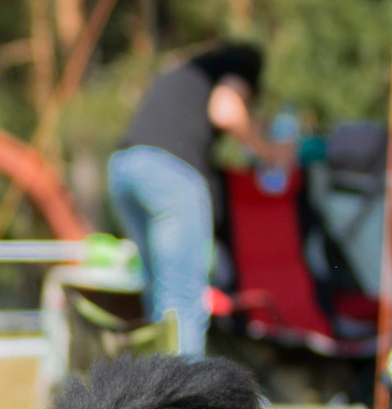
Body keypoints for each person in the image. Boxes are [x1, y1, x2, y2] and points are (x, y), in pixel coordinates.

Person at [107, 41, 285, 358]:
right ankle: (182, 399)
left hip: (123, 169)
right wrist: (270, 152)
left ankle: (150, 390)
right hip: (171, 174)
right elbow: (226, 109)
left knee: (156, 292)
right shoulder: (241, 62)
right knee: (183, 297)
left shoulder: (186, 75)